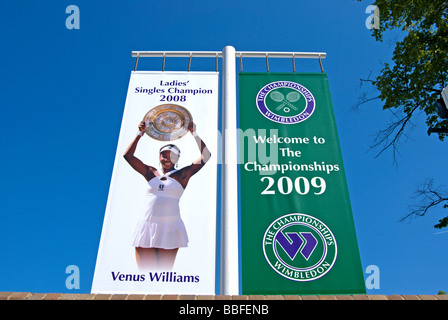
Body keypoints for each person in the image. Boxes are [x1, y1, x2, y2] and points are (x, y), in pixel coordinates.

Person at [123, 120, 211, 271]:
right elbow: (128, 156)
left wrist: (194, 133)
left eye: (172, 156)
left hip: (170, 227)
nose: (167, 158)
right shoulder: (150, 172)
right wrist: (140, 134)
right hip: (147, 226)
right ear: (159, 157)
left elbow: (206, 156)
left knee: (163, 277)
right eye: (164, 155)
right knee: (145, 275)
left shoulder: (183, 174)